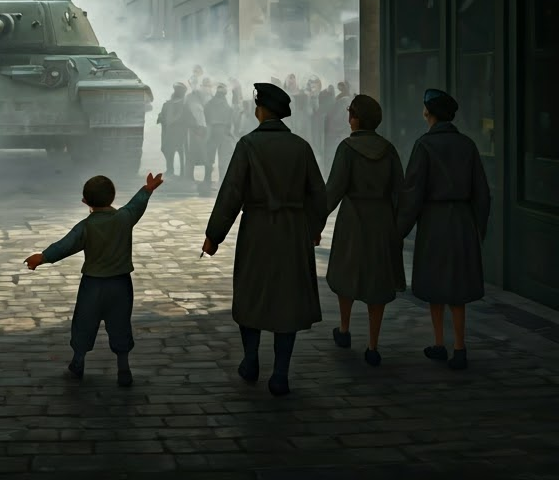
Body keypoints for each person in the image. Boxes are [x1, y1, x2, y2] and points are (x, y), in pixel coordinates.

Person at [202, 82, 327, 397]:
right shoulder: (300, 147)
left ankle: (250, 361)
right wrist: (313, 228)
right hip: (293, 231)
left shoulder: (248, 145)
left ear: (260, 110)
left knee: (251, 293)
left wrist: (214, 236)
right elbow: (318, 195)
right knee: (288, 298)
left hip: (257, 229)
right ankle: (280, 374)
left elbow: (231, 194)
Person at [23, 172, 164, 387]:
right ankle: (123, 368)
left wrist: (42, 257)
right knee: (120, 324)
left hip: (93, 285)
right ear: (112, 197)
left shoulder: (86, 226)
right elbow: (136, 205)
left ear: (85, 201)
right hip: (120, 285)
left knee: (84, 324)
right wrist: (147, 189)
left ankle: (78, 363)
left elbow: (65, 245)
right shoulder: (124, 218)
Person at [398, 88, 491, 371]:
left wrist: (399, 231)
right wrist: (478, 229)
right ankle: (460, 347)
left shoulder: (424, 145)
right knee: (458, 289)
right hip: (462, 221)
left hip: (434, 221)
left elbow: (412, 194)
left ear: (428, 113)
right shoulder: (467, 145)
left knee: (434, 284)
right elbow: (482, 194)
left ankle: (439, 343)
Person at [325, 94, 406, 367]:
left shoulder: (347, 149)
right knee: (378, 280)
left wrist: (315, 221)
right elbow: (400, 191)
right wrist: (398, 227)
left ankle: (344, 329)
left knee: (345, 273)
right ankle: (373, 345)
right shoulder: (388, 149)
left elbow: (333, 190)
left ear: (356, 118)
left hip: (352, 220)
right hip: (381, 220)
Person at [205, 82, 236, 184]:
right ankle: (219, 180)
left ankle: (209, 179)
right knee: (220, 158)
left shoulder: (210, 104)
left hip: (214, 132)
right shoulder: (225, 105)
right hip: (219, 132)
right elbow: (230, 120)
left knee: (212, 157)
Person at [182, 83, 210, 193]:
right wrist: (197, 129)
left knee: (197, 154)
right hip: (195, 130)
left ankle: (195, 178)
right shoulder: (191, 102)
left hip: (199, 129)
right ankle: (191, 178)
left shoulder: (197, 102)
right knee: (194, 154)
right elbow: (192, 118)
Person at [157, 82, 189, 177]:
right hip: (169, 132)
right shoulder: (167, 104)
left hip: (180, 133)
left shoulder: (185, 105)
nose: (176, 93)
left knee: (179, 151)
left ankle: (181, 172)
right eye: (176, 91)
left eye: (178, 91)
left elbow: (187, 118)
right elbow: (163, 115)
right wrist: (160, 117)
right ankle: (170, 169)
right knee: (166, 149)